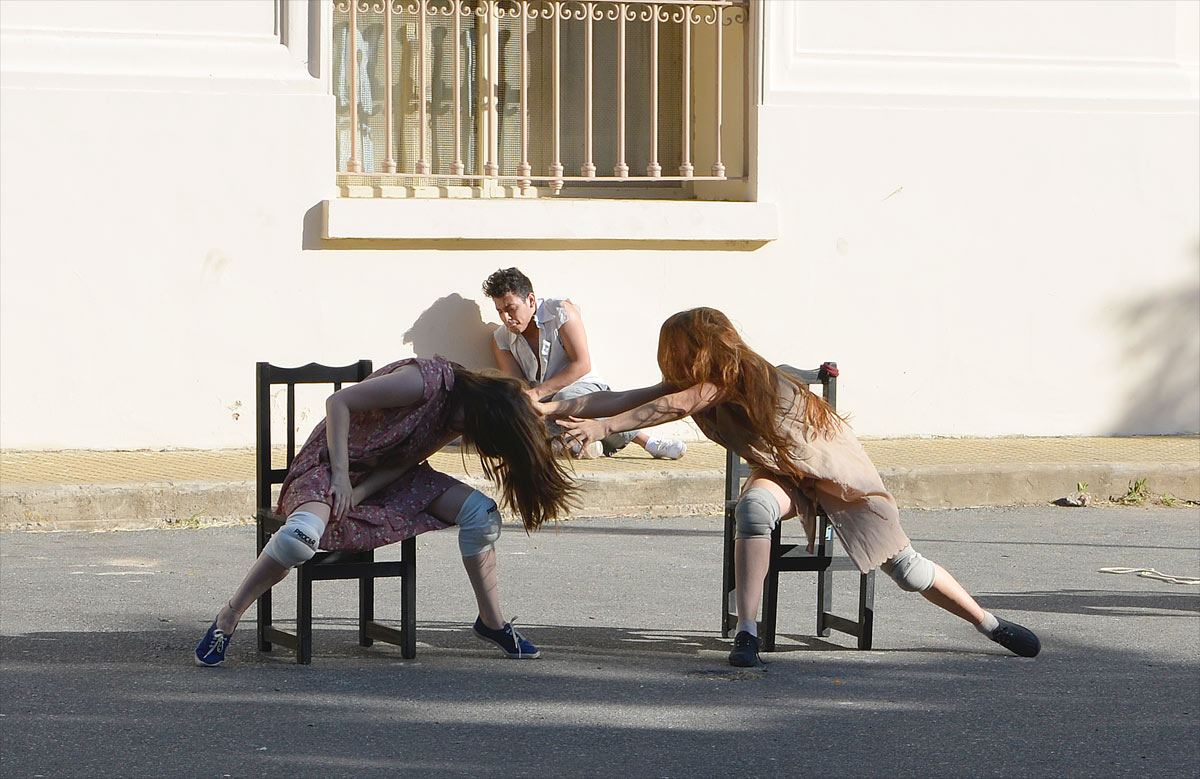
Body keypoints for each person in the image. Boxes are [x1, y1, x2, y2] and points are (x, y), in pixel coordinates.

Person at [545, 307, 1041, 667]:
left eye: (675, 350)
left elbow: (671, 407)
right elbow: (629, 397)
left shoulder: (732, 374)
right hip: (782, 470)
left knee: (907, 569)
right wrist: (547, 408)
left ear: (697, 349)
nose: (669, 361)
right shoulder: (700, 380)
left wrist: (604, 430)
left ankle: (988, 623)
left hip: (833, 472)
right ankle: (747, 633)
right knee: (755, 509)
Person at [194, 356, 576, 666]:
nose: (471, 441)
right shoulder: (425, 382)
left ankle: (491, 622)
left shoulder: (457, 413)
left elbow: (404, 462)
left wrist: (359, 494)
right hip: (332, 461)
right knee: (299, 541)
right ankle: (229, 616)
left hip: (385, 475)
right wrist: (342, 479)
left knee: (482, 515)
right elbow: (338, 402)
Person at [482, 267, 687, 460]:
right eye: (500, 311)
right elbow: (518, 385)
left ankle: (645, 441)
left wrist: (536, 395)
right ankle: (581, 445)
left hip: (581, 389)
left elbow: (581, 365)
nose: (506, 318)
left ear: (531, 299)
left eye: (511, 308)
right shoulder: (501, 339)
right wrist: (525, 404)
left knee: (565, 398)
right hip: (544, 400)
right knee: (512, 415)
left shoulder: (561, 311)